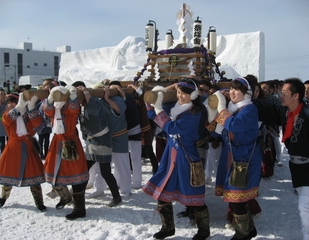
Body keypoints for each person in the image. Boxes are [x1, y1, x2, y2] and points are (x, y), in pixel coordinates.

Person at [143, 78, 210, 240]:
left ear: (193, 95)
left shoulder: (196, 112)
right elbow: (154, 114)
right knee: (162, 191)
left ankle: (204, 230)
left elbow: (172, 127)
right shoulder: (176, 108)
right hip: (170, 155)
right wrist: (152, 102)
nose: (180, 96)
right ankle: (167, 228)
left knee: (194, 195)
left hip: (186, 157)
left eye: (185, 94)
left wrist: (159, 109)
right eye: (179, 92)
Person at [252, 78, 309, 240]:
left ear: (296, 95)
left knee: (304, 206)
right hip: (296, 166)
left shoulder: (307, 114)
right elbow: (265, 106)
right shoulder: (285, 111)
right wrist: (244, 99)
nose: (280, 96)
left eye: (284, 93)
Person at [212, 77, 262, 240]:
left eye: (237, 89)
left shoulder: (249, 109)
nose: (232, 92)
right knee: (235, 195)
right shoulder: (232, 108)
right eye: (231, 89)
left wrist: (220, 108)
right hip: (234, 157)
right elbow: (218, 129)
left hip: (245, 159)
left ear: (245, 93)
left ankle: (242, 233)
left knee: (237, 196)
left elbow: (233, 125)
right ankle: (249, 229)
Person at [41, 85, 89, 220]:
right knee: (54, 174)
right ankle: (66, 197)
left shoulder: (69, 106)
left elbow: (74, 110)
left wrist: (73, 95)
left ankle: (80, 209)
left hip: (71, 143)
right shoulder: (55, 107)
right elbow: (46, 109)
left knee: (76, 176)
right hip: (57, 143)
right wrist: (50, 97)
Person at [72, 81, 122, 207]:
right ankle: (78, 195)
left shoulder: (95, 102)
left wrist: (86, 92)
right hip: (91, 141)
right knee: (85, 169)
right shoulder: (82, 105)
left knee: (105, 172)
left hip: (102, 140)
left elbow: (92, 109)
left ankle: (117, 197)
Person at [0, 92, 47, 212]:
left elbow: (39, 123)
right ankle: (3, 197)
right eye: (8, 103)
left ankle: (39, 202)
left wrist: (31, 107)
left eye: (12, 102)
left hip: (28, 147)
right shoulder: (7, 114)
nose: (10, 105)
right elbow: (7, 120)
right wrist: (18, 108)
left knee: (33, 177)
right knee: (9, 175)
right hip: (13, 148)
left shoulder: (27, 116)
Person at [109, 81, 142, 190]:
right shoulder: (111, 99)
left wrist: (124, 94)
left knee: (135, 157)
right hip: (121, 131)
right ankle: (118, 181)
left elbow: (130, 106)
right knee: (120, 158)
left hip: (133, 129)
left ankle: (137, 181)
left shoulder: (128, 97)